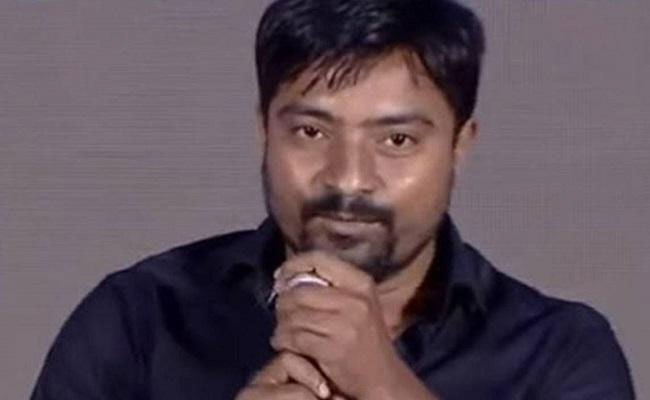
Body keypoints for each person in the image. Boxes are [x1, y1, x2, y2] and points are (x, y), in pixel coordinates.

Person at [30, 0, 635, 399]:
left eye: (396, 140)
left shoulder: (559, 353)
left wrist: (386, 386)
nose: (348, 179)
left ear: (460, 145)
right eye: (311, 132)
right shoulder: (141, 318)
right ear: (263, 130)